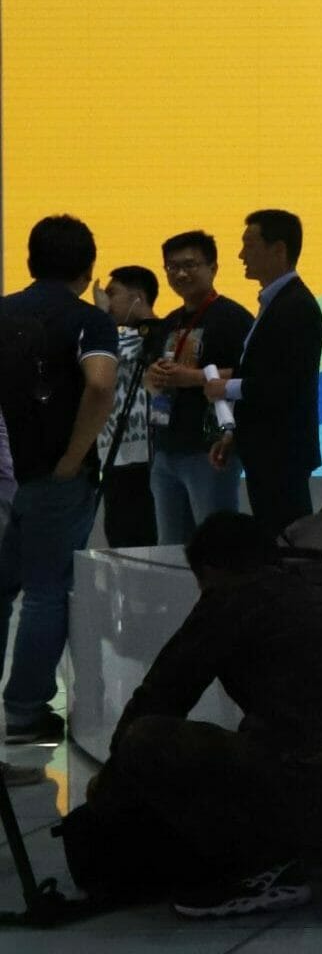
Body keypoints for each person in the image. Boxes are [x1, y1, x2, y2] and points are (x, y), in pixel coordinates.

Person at [69, 512, 322, 917]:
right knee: (277, 733)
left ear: (209, 571)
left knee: (148, 740)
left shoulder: (231, 598)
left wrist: (106, 797)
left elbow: (160, 696)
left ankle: (262, 870)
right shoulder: (314, 595)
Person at [0, 215, 121, 747]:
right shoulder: (88, 320)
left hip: (8, 470)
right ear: (87, 266)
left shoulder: (4, 312)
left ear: (30, 260)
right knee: (47, 593)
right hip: (55, 476)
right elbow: (99, 385)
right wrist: (74, 457)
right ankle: (25, 712)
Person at [204, 211, 322, 533]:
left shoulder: (295, 307)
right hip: (268, 452)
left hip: (282, 454)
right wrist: (234, 434)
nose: (241, 255)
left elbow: (283, 385)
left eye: (249, 245)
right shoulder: (277, 303)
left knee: (290, 546)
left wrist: (224, 389)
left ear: (278, 250)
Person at [143, 231, 255, 545]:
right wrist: (153, 375)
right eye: (171, 267)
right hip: (166, 448)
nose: (180, 273)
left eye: (190, 264)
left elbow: (250, 375)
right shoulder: (169, 322)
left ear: (213, 267)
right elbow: (152, 375)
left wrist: (190, 377)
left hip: (209, 447)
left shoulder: (233, 318)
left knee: (217, 545)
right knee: (170, 550)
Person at [95, 265, 163, 548]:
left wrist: (101, 318)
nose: (106, 301)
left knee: (146, 539)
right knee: (119, 540)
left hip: (147, 457)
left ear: (137, 296)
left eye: (113, 293)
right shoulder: (111, 336)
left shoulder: (161, 333)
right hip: (112, 457)